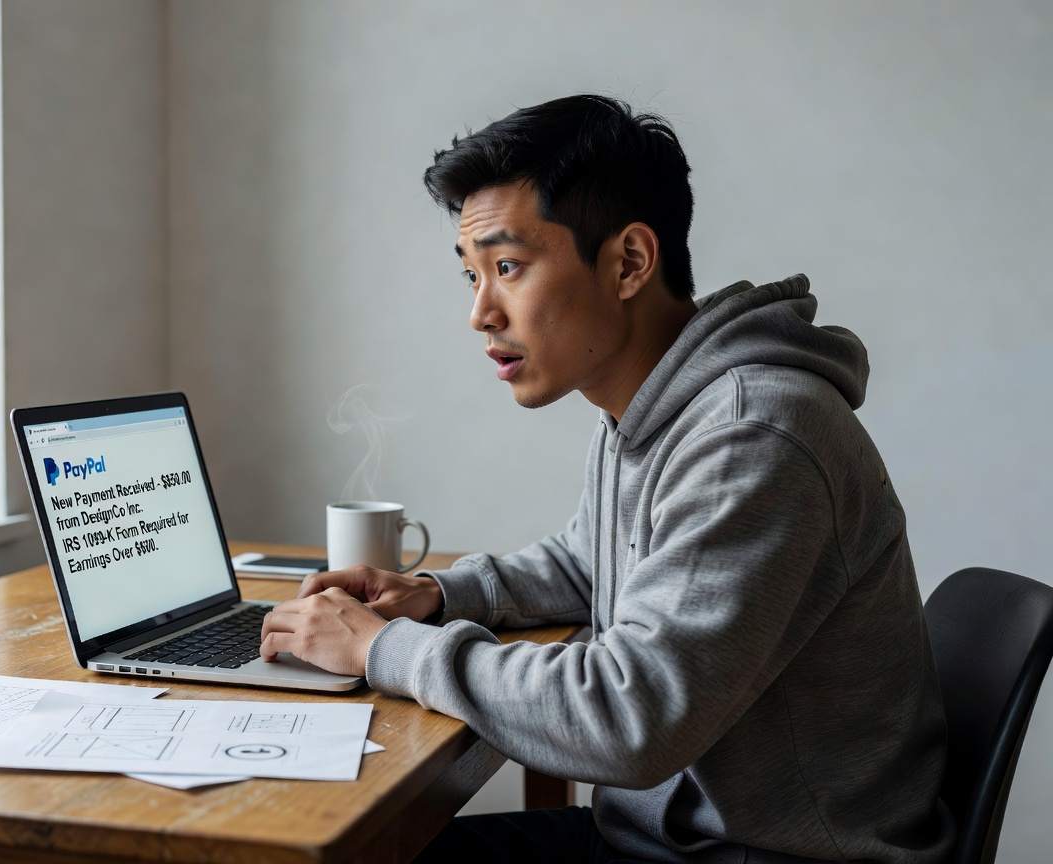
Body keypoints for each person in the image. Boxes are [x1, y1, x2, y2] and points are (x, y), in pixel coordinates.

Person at [259, 94, 954, 864]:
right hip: (666, 840)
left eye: (508, 267)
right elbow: (589, 560)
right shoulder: (654, 407)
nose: (481, 312)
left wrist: (386, 651)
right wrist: (441, 595)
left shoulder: (751, 435)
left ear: (628, 262)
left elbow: (629, 717)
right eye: (472, 276)